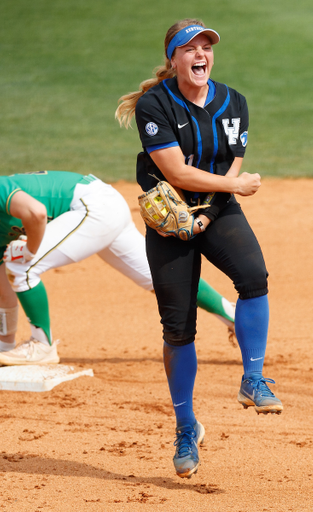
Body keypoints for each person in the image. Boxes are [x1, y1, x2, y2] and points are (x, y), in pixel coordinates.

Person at [115, 18, 282, 479]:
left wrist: (210, 211)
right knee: (178, 328)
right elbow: (177, 174)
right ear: (174, 58)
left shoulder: (234, 102)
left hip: (216, 209)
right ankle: (186, 426)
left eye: (206, 45)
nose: (200, 53)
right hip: (170, 222)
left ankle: (253, 378)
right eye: (190, 47)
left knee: (254, 277)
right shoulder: (156, 104)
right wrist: (227, 190)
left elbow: (232, 161)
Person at [0, 166, 235, 367]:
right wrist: (3, 348)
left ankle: (42, 345)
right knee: (159, 280)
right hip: (100, 212)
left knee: (20, 261)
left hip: (95, 206)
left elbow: (36, 214)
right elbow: (4, 293)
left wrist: (29, 252)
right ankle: (234, 316)